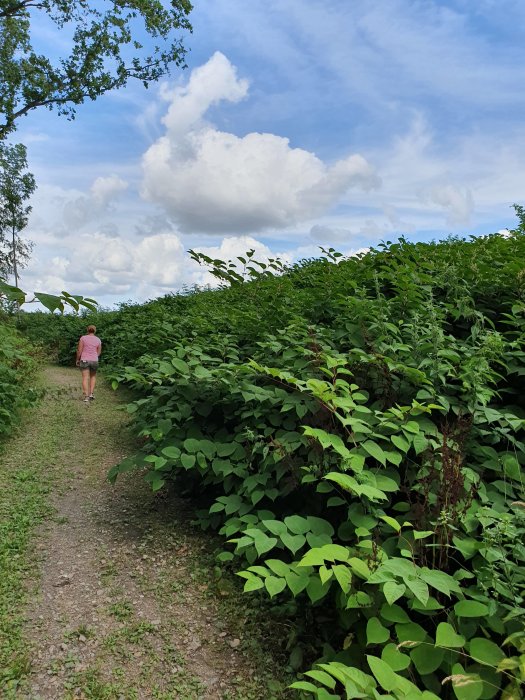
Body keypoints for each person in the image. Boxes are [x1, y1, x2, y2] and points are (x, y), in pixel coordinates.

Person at [76, 324, 102, 402]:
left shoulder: (83, 338)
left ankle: (86, 396)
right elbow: (99, 352)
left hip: (84, 360)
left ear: (87, 330)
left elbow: (79, 350)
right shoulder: (98, 340)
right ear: (95, 330)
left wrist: (77, 359)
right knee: (93, 376)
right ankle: (91, 394)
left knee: (85, 377)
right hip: (94, 360)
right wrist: (94, 357)